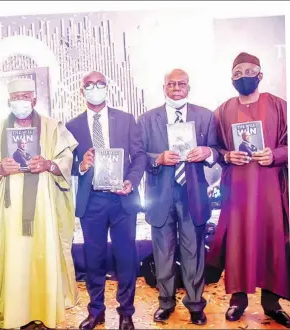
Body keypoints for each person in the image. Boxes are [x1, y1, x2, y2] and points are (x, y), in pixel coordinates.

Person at [0, 78, 78, 330]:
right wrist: (1, 168)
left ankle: (44, 315)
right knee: (15, 260)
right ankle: (15, 316)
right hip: (9, 211)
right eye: (16, 97)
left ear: (35, 99)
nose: (21, 101)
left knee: (42, 257)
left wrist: (49, 164)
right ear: (9, 101)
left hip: (44, 209)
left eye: (26, 96)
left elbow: (66, 160)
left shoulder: (52, 128)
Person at [207, 52, 290, 327]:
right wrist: (228, 156)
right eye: (237, 73)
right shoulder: (222, 111)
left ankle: (271, 303)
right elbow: (215, 149)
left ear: (260, 75)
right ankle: (237, 301)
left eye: (248, 71)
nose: (243, 76)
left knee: (271, 243)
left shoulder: (280, 106)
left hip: (269, 189)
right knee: (238, 243)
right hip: (238, 191)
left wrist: (276, 154)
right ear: (231, 78)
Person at [66, 71, 146, 330]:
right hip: (92, 201)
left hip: (123, 198)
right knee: (93, 258)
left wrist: (131, 181)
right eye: (89, 85)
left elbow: (140, 156)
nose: (94, 88)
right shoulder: (72, 126)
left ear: (107, 88)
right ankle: (96, 310)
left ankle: (126, 312)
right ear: (82, 92)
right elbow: (68, 163)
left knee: (125, 257)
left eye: (99, 84)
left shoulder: (125, 119)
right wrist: (82, 164)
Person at [138, 69, 218, 326]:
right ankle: (165, 302)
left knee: (194, 251)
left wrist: (206, 151)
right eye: (170, 84)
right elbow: (139, 156)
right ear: (164, 88)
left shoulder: (205, 116)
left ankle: (195, 305)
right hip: (160, 195)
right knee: (162, 253)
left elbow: (217, 150)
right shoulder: (147, 119)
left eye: (181, 84)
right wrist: (158, 159)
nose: (176, 88)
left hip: (192, 194)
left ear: (188, 88)